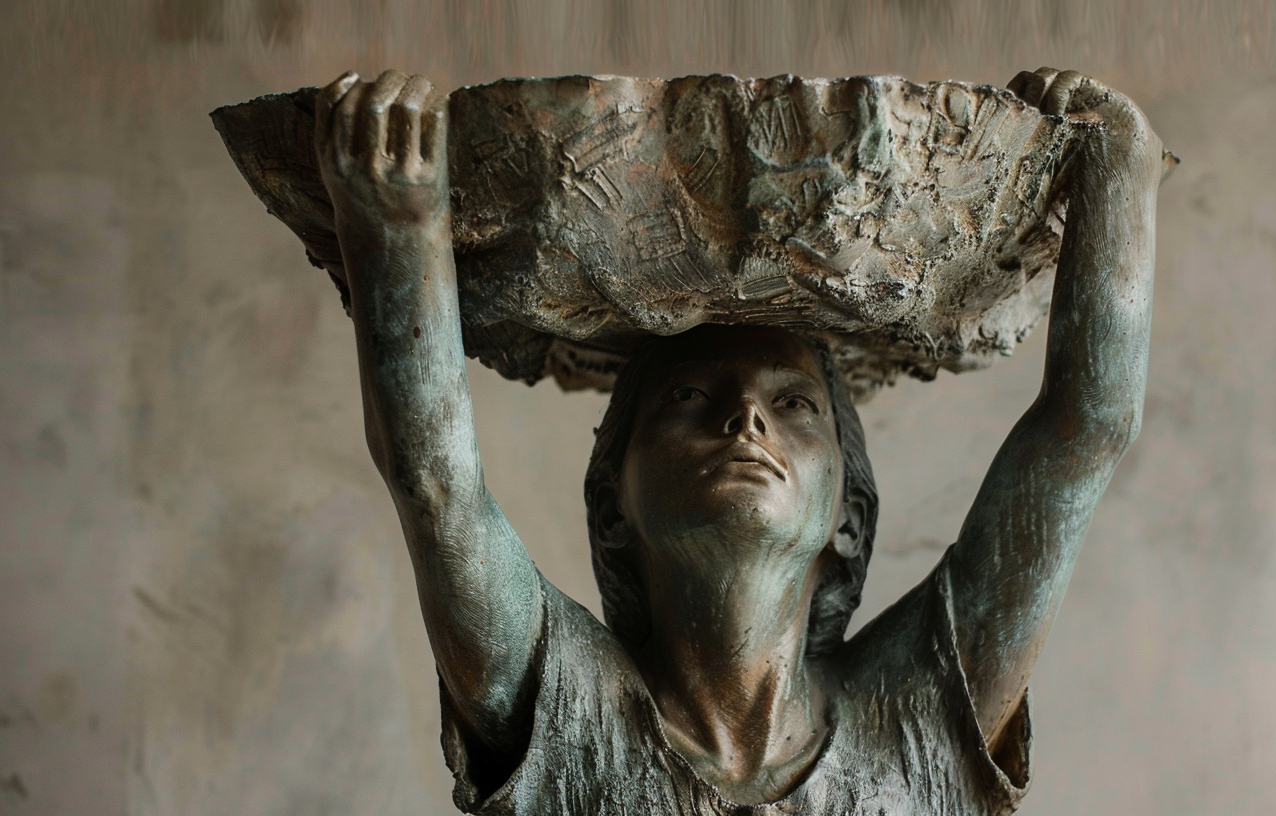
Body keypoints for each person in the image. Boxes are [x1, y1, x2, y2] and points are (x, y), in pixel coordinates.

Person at [313, 66, 1165, 815]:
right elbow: (435, 484)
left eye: (795, 404)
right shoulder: (563, 707)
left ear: (851, 518)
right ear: (612, 503)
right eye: (688, 396)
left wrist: (1118, 174)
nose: (746, 420)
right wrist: (397, 231)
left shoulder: (919, 716)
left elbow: (1081, 433)